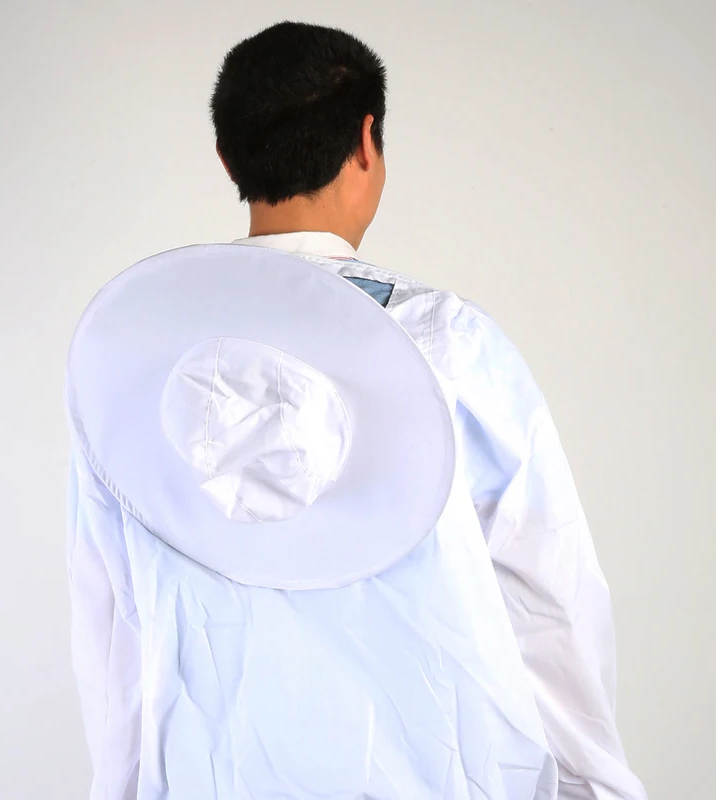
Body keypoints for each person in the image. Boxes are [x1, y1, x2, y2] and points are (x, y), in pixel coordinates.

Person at [66, 21, 647, 800]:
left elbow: (112, 628)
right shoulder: (449, 345)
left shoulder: (128, 373)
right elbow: (549, 595)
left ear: (227, 157)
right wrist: (594, 786)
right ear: (367, 142)